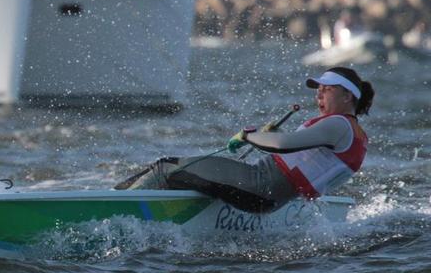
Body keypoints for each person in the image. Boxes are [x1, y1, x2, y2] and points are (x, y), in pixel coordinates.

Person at [117, 67, 374, 213]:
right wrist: (269, 135)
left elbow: (284, 145)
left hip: (258, 185)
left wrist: (249, 135)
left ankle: (113, 205)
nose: (319, 97)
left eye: (327, 90)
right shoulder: (356, 136)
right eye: (318, 92)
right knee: (190, 179)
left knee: (166, 169)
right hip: (273, 200)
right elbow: (298, 154)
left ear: (348, 96)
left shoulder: (338, 125)